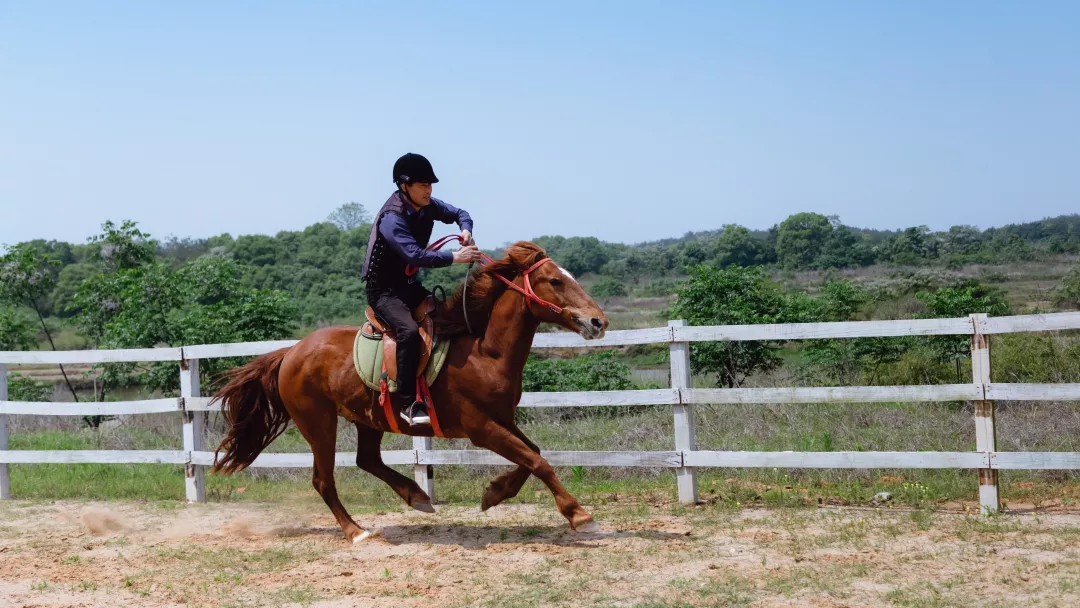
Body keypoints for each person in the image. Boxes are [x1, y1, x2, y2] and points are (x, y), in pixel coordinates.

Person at [361, 153, 481, 425]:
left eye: (430, 185)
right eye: (423, 185)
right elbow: (414, 255)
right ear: (405, 187)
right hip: (384, 292)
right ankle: (408, 403)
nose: (429, 190)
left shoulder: (426, 205)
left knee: (447, 321)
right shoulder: (392, 219)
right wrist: (455, 257)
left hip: (409, 286)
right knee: (409, 331)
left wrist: (465, 230)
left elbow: (461, 213)